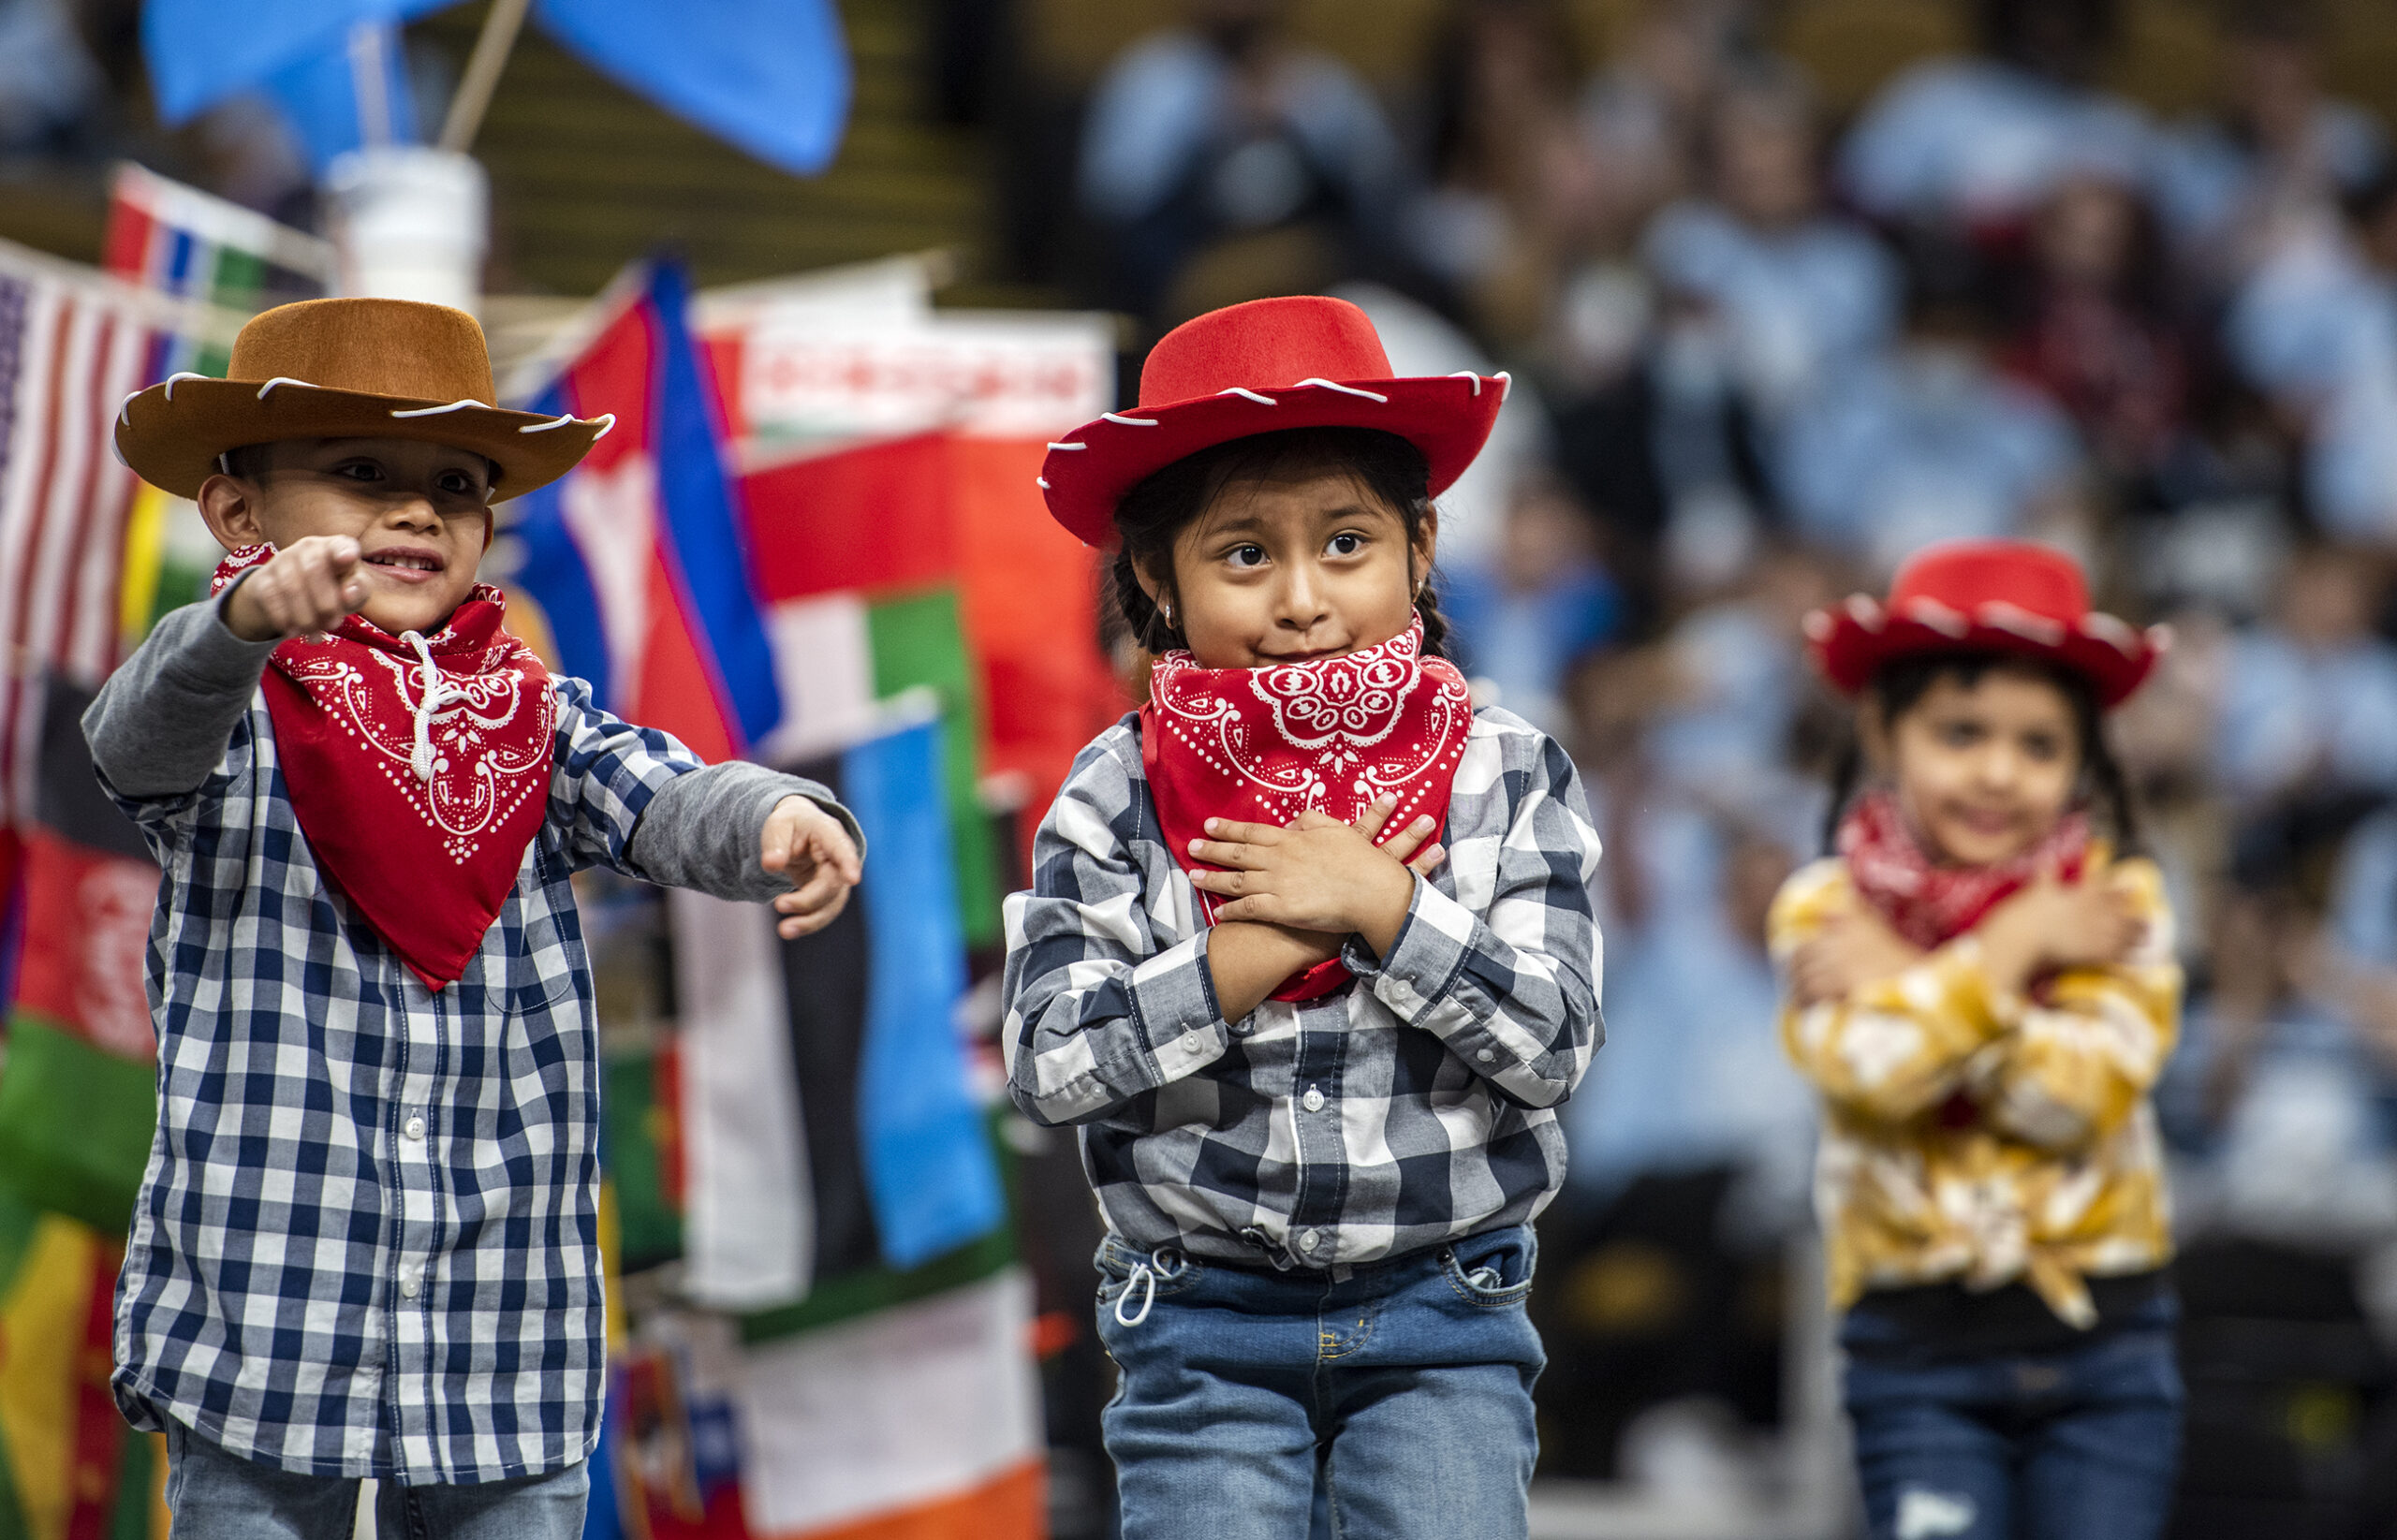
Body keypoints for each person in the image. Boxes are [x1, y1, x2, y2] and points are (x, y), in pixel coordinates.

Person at [90, 298, 864, 1539]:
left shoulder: (532, 718)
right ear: (238, 516)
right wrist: (236, 624)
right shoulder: (233, 712)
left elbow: (666, 793)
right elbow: (134, 735)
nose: (415, 510)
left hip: (499, 1331)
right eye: (360, 474)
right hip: (268, 1309)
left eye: (454, 483)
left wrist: (774, 812)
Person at [1003, 295, 1604, 1539]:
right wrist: (1250, 953)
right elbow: (1048, 1062)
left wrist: (1385, 904)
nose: (1300, 597)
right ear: (1159, 583)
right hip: (1197, 1322)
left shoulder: (1503, 765)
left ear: (1421, 547)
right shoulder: (1115, 789)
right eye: (1242, 555)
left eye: (1345, 543)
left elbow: (1554, 1044)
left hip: (1448, 1315)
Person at [1772, 541, 2184, 1540]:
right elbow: (1875, 1075)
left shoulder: (2118, 902)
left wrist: (1915, 982)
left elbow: (2079, 1095)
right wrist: (2011, 949)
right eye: (1960, 733)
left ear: (2082, 760)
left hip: (2109, 1348)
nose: (1999, 773)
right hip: (1914, 1356)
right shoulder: (1823, 907)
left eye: (2039, 746)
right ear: (1881, 730)